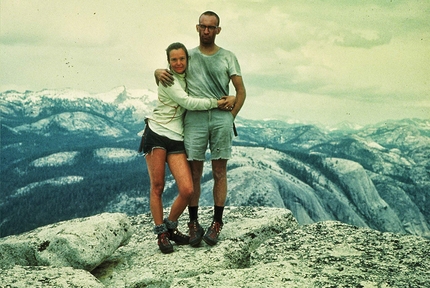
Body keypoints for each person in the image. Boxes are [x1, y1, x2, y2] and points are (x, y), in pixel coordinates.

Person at [155, 11, 246, 247]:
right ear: (197, 28)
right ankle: (193, 223)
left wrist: (230, 117)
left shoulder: (228, 57)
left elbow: (241, 91)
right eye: (203, 26)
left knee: (219, 171)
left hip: (220, 119)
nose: (207, 31)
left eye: (211, 27)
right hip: (194, 119)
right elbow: (171, 68)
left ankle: (217, 222)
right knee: (194, 172)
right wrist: (156, 72)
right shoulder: (189, 56)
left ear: (218, 30)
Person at [140, 42, 235, 253]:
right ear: (168, 62)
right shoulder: (168, 79)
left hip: (176, 137)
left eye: (182, 58)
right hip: (156, 134)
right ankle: (161, 233)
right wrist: (217, 103)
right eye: (174, 60)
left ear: (187, 59)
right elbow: (188, 102)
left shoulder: (186, 75)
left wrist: (235, 96)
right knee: (157, 187)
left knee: (187, 188)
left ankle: (170, 225)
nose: (179, 63)